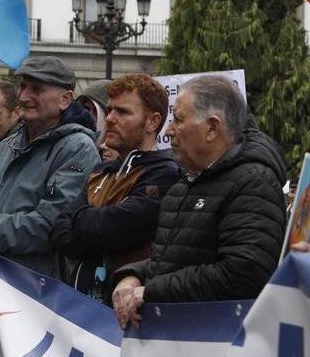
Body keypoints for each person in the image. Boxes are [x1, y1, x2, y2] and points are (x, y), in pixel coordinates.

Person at [111, 75, 287, 330]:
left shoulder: (253, 183)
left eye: (179, 120)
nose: (169, 130)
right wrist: (133, 276)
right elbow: (175, 259)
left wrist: (151, 291)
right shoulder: (184, 184)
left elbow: (243, 272)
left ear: (213, 128)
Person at [0, 57, 100, 356]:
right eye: (23, 87)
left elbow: (50, 223)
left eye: (36, 89)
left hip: (33, 297)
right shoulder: (7, 146)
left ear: (64, 99)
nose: (23, 96)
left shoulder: (77, 149)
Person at [49, 74, 181, 305]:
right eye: (109, 110)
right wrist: (96, 224)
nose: (110, 118)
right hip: (81, 312)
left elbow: (114, 228)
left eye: (122, 112)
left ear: (152, 122)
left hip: (125, 316)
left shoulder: (165, 174)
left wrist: (81, 217)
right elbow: (60, 234)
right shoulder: (102, 170)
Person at [77, 79, 118, 161]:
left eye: (96, 111)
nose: (90, 115)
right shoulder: (75, 143)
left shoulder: (118, 151)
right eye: (87, 108)